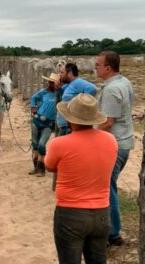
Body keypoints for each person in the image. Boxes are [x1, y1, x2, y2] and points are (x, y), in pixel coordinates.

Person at [45, 94, 117, 264]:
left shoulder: (59, 143)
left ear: (70, 119)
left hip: (70, 212)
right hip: (102, 212)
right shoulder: (111, 140)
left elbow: (49, 166)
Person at [96, 50, 135, 246]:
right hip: (124, 141)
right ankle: (113, 231)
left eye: (98, 65)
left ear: (108, 68)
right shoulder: (124, 82)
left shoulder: (111, 90)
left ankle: (113, 234)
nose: (95, 68)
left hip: (114, 144)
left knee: (107, 188)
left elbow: (108, 121)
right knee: (109, 186)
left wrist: (88, 131)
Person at [28, 73, 61, 177]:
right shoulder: (43, 92)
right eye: (50, 82)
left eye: (52, 82)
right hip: (37, 120)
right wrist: (33, 108)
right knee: (35, 144)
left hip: (48, 123)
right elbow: (33, 98)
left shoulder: (58, 94)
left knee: (42, 144)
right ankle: (36, 168)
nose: (50, 83)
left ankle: (41, 169)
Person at [56, 63, 97, 136]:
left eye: (62, 72)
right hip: (64, 125)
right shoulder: (69, 84)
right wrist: (59, 88)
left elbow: (92, 89)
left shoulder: (78, 82)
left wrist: (83, 103)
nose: (60, 75)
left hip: (69, 126)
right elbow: (66, 97)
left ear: (70, 73)